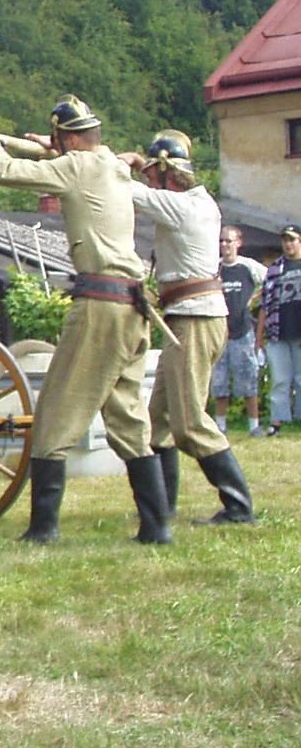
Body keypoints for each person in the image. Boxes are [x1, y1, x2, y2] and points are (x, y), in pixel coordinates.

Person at [0, 94, 169, 544]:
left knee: (57, 410)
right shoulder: (111, 165)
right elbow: (108, 159)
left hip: (99, 306)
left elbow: (3, 172)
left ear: (70, 139)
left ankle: (43, 528)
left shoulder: (77, 166)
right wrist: (55, 147)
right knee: (127, 416)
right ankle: (156, 527)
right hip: (133, 306)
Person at [120, 130, 254, 525]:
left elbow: (130, 193)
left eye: (152, 172)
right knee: (158, 420)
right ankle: (164, 507)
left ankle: (238, 507)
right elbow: (144, 189)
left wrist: (102, 164)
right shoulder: (192, 202)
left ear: (167, 174)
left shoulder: (185, 207)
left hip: (196, 319)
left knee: (189, 422)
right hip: (189, 316)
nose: (147, 180)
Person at [211, 225, 267, 436]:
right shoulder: (215, 268)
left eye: (229, 241)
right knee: (219, 383)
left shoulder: (248, 267)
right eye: (222, 241)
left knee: (248, 381)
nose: (225, 245)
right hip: (220, 334)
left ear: (239, 243)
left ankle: (254, 426)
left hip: (243, 333)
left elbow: (270, 282)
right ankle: (220, 426)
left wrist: (254, 299)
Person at [257, 223, 301, 436]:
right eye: (285, 240)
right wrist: (259, 338)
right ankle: (277, 422)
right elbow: (264, 305)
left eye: (292, 239)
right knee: (280, 379)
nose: (288, 244)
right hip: (277, 332)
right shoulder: (275, 269)